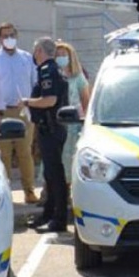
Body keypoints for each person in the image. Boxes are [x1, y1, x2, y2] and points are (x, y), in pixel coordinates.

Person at [21, 37, 69, 233]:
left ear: (40, 51)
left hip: (51, 128)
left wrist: (27, 101)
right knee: (50, 175)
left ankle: (59, 218)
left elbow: (49, 100)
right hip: (48, 128)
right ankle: (49, 214)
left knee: (55, 175)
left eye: (35, 51)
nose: (34, 55)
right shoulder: (51, 69)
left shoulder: (47, 70)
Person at [0, 22, 39, 204]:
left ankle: (29, 191)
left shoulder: (27, 58)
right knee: (4, 155)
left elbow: (36, 84)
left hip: (23, 112)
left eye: (12, 35)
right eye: (5, 36)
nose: (9, 39)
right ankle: (5, 192)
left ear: (16, 36)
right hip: (2, 113)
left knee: (25, 152)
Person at [54, 42, 90, 188]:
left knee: (70, 157)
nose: (61, 58)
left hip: (73, 124)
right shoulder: (54, 75)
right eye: (58, 55)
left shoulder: (78, 76)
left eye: (64, 55)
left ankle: (70, 188)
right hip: (56, 122)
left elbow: (85, 100)